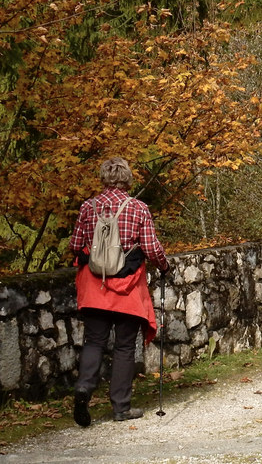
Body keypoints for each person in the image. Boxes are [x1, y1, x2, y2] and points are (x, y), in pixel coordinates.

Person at [68, 157, 171, 427]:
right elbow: (151, 248)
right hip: (127, 289)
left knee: (94, 342)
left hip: (94, 286)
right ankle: (121, 408)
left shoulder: (88, 207)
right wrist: (164, 265)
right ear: (127, 179)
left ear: (103, 178)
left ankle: (84, 388)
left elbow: (75, 245)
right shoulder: (138, 208)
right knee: (125, 347)